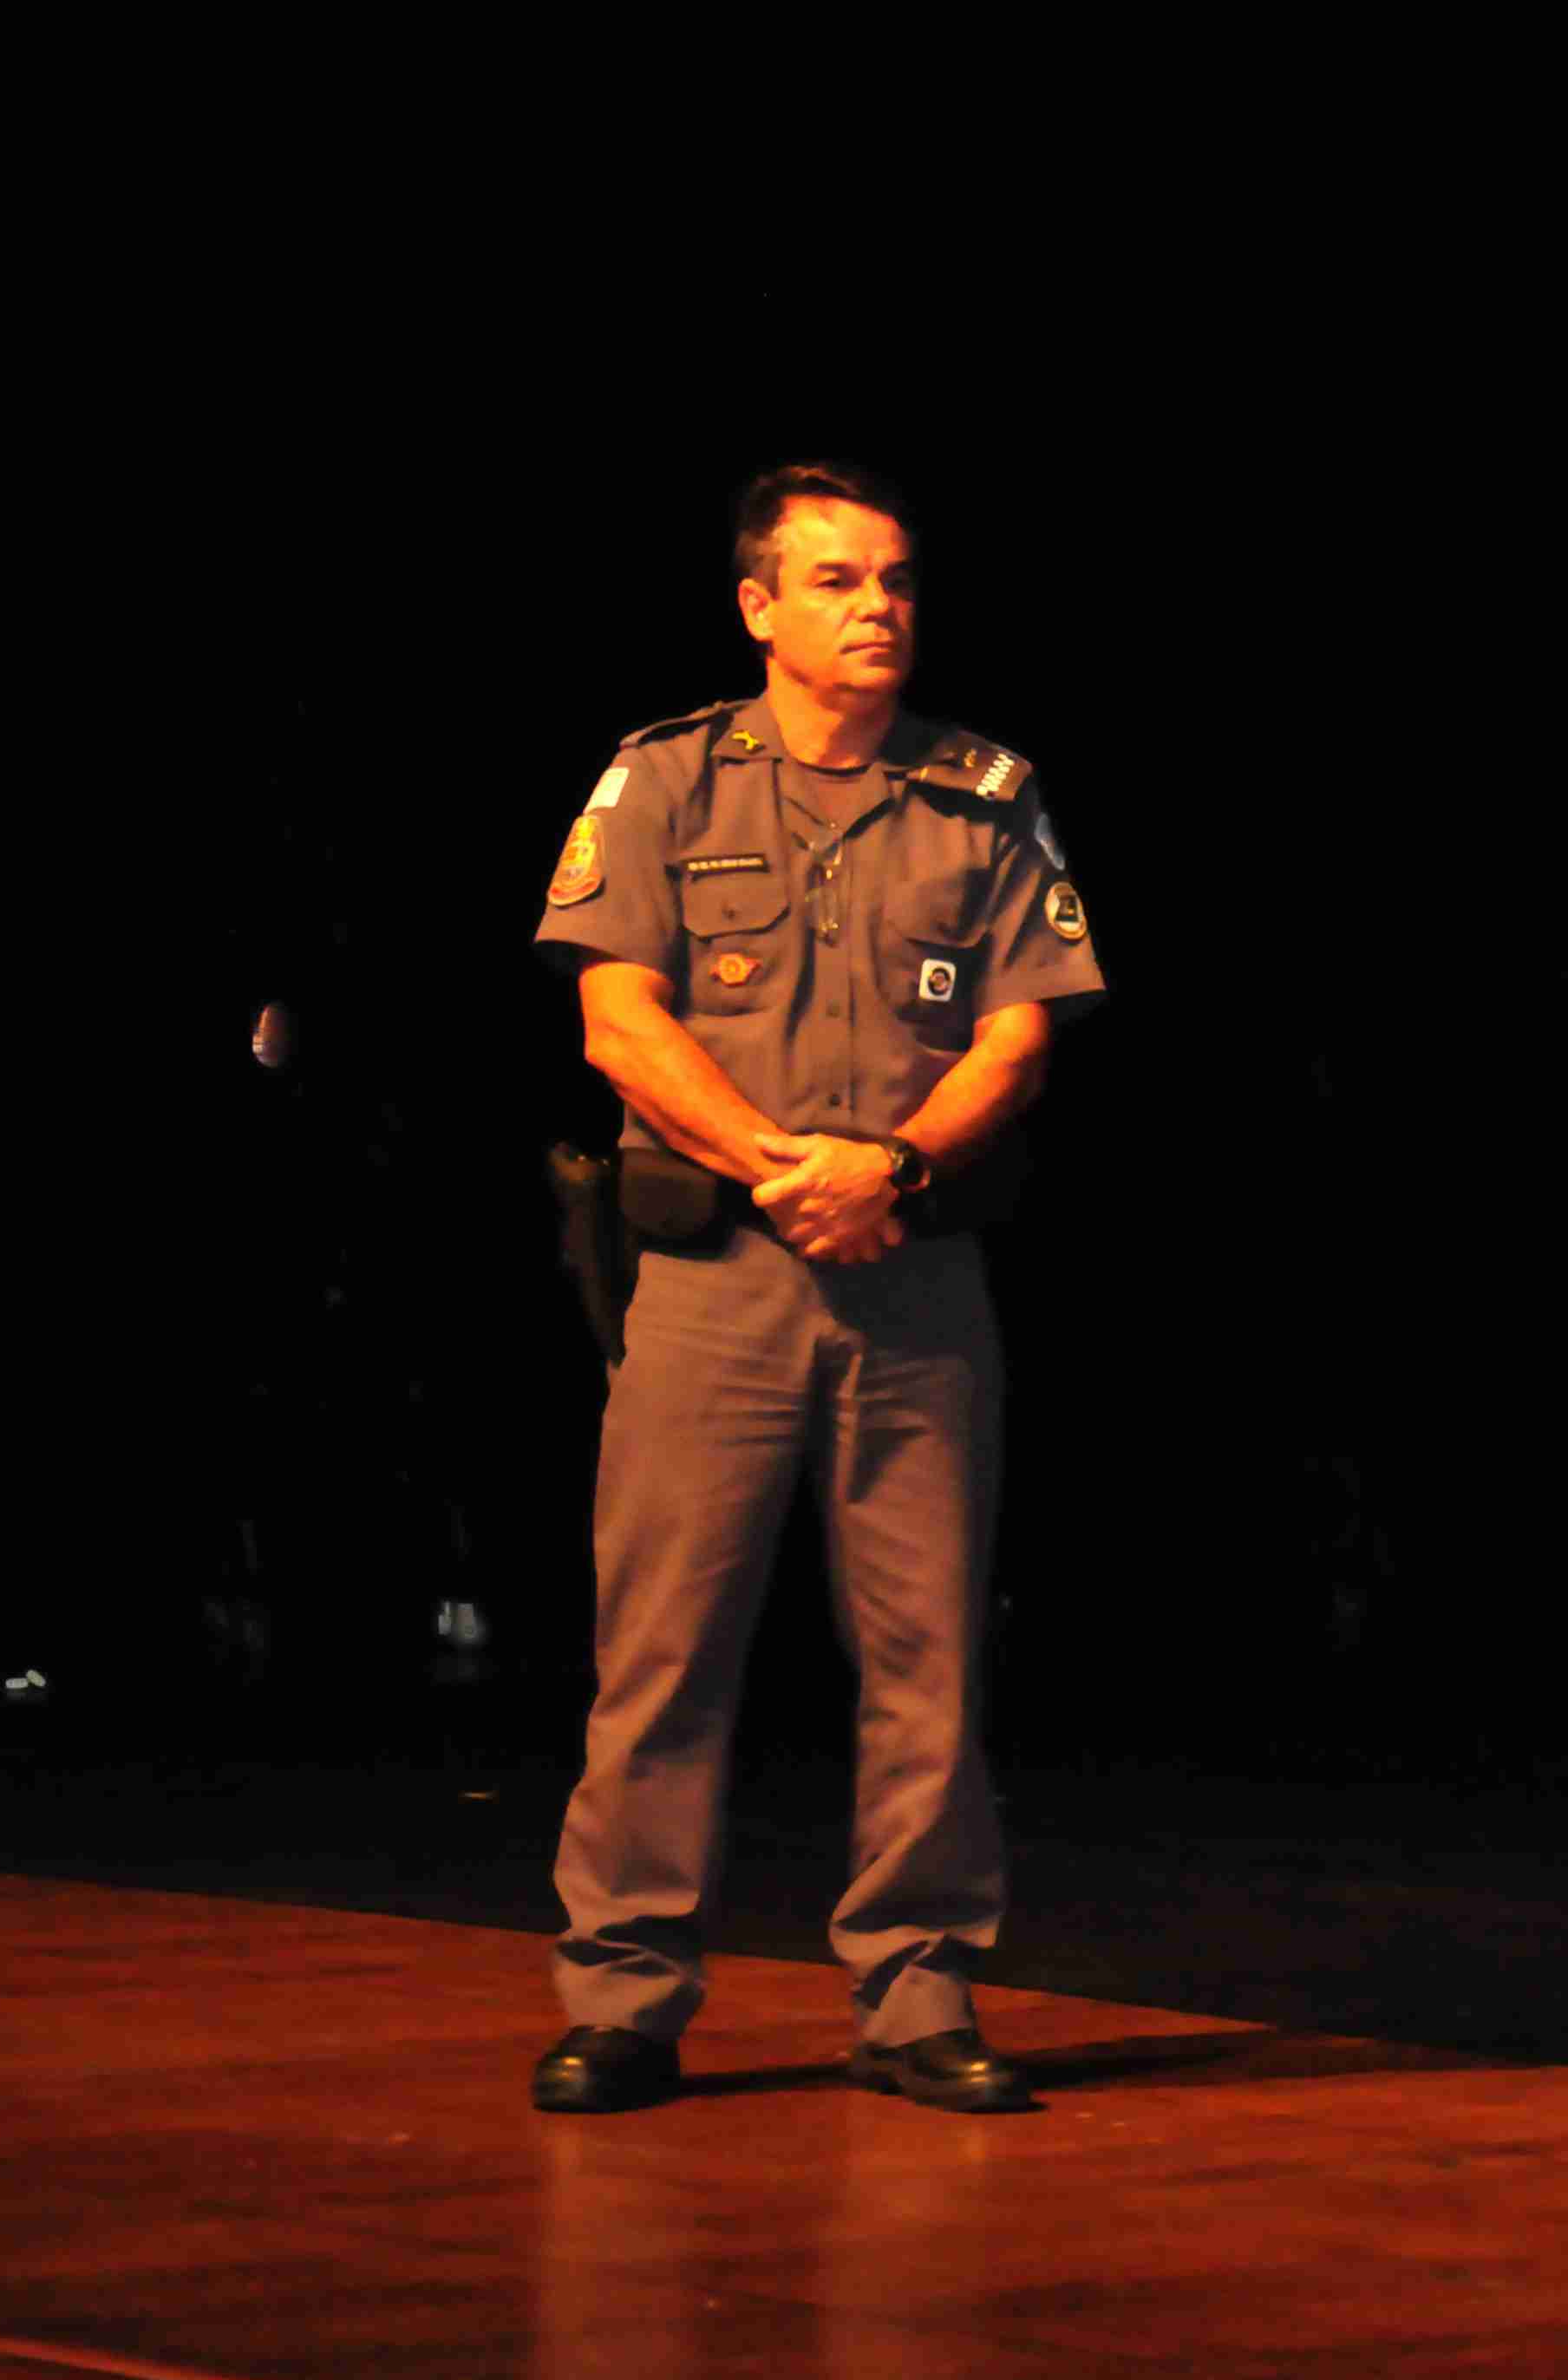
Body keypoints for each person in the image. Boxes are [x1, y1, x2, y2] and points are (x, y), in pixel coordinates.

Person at [527, 462, 1106, 2115]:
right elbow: (618, 1025)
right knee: (664, 1650)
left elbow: (1020, 1025)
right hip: (720, 1281)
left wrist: (897, 1171)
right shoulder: (663, 784)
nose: (880, 610)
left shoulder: (982, 794)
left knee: (931, 1655)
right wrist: (793, 1169)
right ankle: (625, 1993)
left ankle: (919, 1996)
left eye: (901, 582)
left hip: (915, 1283)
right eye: (841, 582)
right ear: (758, 606)